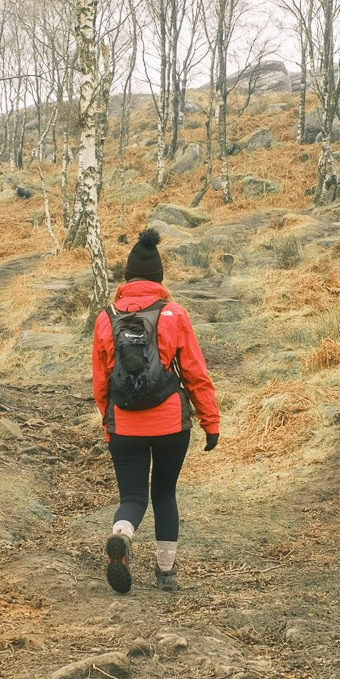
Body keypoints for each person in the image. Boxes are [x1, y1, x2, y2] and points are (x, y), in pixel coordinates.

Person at [90, 228, 220, 593]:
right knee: (164, 494)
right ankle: (165, 574)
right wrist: (210, 422)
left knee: (132, 497)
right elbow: (195, 373)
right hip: (169, 423)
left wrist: (109, 424)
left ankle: (123, 535)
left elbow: (101, 383)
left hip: (125, 426)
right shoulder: (173, 314)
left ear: (127, 279)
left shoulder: (106, 318)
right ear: (160, 280)